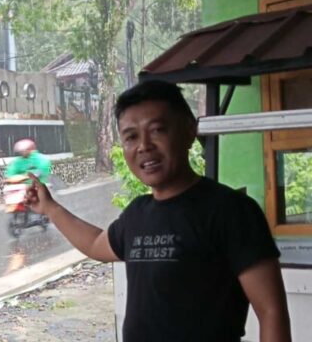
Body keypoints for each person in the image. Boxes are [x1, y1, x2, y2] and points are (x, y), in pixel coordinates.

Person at [24, 80, 291, 342]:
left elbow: (271, 312)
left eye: (158, 130)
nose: (144, 145)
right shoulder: (137, 214)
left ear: (189, 131)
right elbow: (96, 244)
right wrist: (50, 208)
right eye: (131, 136)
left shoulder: (231, 211)